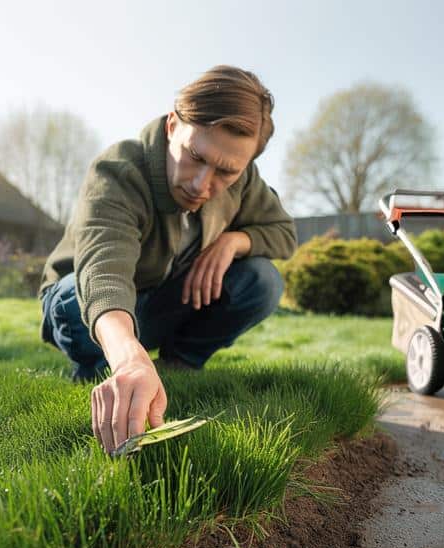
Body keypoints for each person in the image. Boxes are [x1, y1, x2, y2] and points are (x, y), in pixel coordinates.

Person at [39, 65, 297, 455]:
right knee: (74, 301)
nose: (201, 184)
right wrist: (129, 357)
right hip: (86, 304)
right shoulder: (120, 171)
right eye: (195, 156)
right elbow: (103, 276)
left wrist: (234, 241)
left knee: (262, 279)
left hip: (161, 306)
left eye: (226, 172)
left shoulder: (244, 183)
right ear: (172, 125)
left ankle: (178, 365)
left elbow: (284, 233)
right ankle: (104, 365)